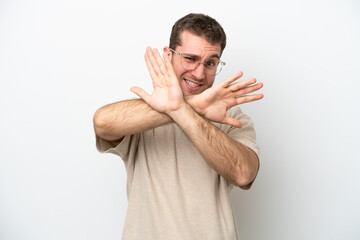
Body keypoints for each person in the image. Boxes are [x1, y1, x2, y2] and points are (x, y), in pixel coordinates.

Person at [93, 13, 263, 240]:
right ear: (168, 55)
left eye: (210, 63)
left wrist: (182, 109)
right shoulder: (143, 115)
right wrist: (188, 105)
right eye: (190, 59)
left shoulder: (231, 117)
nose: (199, 73)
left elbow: (243, 174)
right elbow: (102, 122)